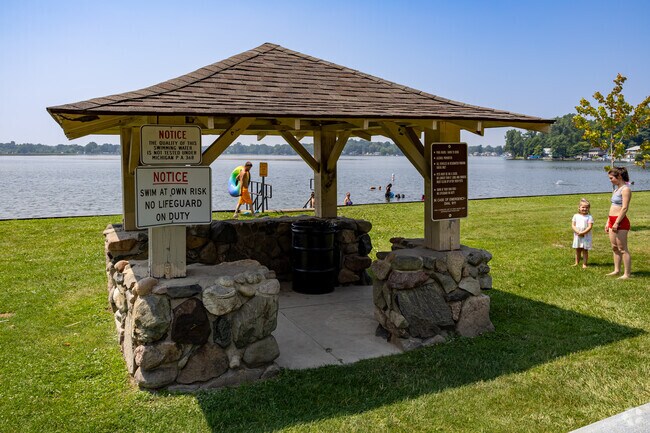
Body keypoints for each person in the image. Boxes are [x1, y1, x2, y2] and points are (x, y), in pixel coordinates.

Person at [605, 167, 632, 279]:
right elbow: (613, 206)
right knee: (614, 247)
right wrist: (608, 222)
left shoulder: (625, 189)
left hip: (620, 221)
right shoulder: (616, 189)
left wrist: (616, 223)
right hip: (612, 220)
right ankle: (616, 270)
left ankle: (627, 274)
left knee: (622, 248)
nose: (610, 180)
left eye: (611, 178)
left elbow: (624, 208)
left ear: (619, 176)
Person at [571, 198, 594, 268]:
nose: (584, 209)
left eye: (586, 207)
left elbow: (590, 226)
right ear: (579, 208)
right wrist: (578, 232)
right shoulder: (575, 216)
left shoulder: (589, 217)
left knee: (585, 250)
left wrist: (583, 232)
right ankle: (576, 262)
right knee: (578, 250)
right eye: (583, 207)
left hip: (586, 235)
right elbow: (573, 225)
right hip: (577, 235)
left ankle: (584, 264)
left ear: (589, 208)